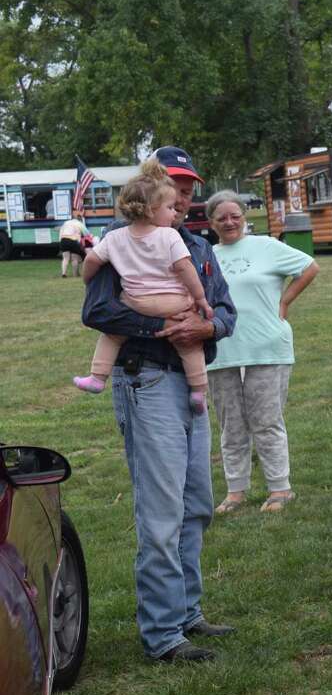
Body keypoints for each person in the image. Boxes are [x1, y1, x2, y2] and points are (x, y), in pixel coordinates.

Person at [81, 145, 237, 663]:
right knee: (162, 510)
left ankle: (187, 612)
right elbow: (98, 309)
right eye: (176, 183)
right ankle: (163, 635)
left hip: (189, 383)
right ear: (150, 189)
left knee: (196, 503)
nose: (187, 192)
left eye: (190, 183)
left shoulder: (199, 247)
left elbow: (226, 314)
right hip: (145, 381)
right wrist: (165, 327)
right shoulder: (121, 243)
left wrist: (208, 325)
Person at [204, 190, 319, 514]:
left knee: (266, 420)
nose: (229, 222)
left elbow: (309, 267)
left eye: (235, 215)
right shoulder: (207, 255)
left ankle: (280, 488)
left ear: (244, 216)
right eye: (221, 217)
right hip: (222, 350)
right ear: (212, 222)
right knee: (231, 425)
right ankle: (236, 490)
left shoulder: (267, 247)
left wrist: (284, 301)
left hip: (267, 346)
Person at [74, 159, 214, 414]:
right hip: (174, 303)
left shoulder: (115, 237)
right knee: (190, 344)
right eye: (170, 206)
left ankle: (97, 377)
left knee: (112, 336)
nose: (175, 211)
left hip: (136, 301)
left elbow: (92, 259)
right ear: (151, 209)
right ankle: (198, 390)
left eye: (185, 195)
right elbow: (185, 268)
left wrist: (87, 279)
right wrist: (201, 299)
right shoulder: (169, 235)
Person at [58, 211, 93, 278]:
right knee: (75, 258)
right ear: (79, 219)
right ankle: (75, 274)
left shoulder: (66, 223)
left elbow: (61, 232)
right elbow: (86, 233)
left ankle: (63, 273)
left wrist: (61, 242)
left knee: (65, 258)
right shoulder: (79, 223)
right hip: (73, 241)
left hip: (63, 240)